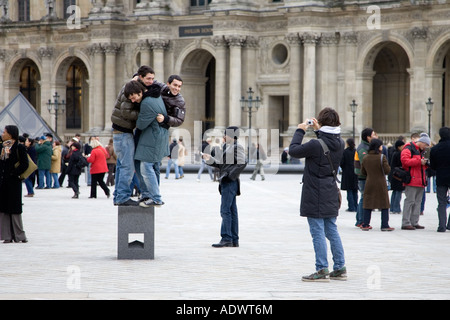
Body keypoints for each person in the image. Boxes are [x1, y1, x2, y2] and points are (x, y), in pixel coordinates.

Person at [288, 107, 346, 282]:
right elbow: (326, 143)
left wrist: (300, 130)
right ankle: (340, 267)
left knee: (317, 232)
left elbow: (293, 150)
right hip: (330, 189)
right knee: (332, 230)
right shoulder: (341, 142)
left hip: (314, 191)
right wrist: (318, 131)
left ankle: (321, 269)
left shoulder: (315, 144)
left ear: (321, 122)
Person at [124, 80, 169, 208]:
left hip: (152, 138)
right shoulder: (154, 97)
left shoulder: (147, 103)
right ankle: (147, 194)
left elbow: (141, 124)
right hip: (154, 137)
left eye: (133, 97)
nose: (133, 101)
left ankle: (156, 198)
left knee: (146, 167)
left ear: (140, 92)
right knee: (148, 166)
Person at [203, 126, 247, 248]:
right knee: (231, 211)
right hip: (227, 181)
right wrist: (209, 159)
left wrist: (229, 176)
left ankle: (226, 238)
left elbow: (242, 163)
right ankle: (233, 239)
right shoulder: (227, 147)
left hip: (229, 182)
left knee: (225, 210)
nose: (223, 137)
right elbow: (221, 165)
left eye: (225, 135)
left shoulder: (237, 147)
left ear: (232, 136)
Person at [0, 125, 28, 243]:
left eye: (5, 132)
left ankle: (19, 235)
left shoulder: (19, 147)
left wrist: (14, 173)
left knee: (15, 208)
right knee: (4, 208)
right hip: (3, 181)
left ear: (11, 134)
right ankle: (6, 236)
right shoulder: (2, 147)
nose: (2, 134)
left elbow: (24, 164)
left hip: (14, 182)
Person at [360, 139, 394, 231]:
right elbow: (387, 170)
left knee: (368, 203)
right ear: (378, 147)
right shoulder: (382, 157)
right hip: (380, 183)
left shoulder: (366, 157)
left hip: (369, 182)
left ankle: (365, 224)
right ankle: (384, 225)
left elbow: (363, 172)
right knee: (384, 204)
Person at [401, 132, 430, 230]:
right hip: (411, 179)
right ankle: (406, 222)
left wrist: (425, 163)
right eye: (425, 145)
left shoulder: (422, 151)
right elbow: (405, 161)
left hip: (421, 180)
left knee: (418, 202)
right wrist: (419, 161)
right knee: (410, 201)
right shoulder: (408, 148)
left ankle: (414, 222)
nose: (426, 147)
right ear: (421, 142)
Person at [354, 128, 376, 227]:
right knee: (364, 198)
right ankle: (360, 221)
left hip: (364, 176)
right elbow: (366, 163)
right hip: (364, 177)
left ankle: (360, 220)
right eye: (374, 135)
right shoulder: (363, 148)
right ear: (368, 137)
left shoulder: (366, 146)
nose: (375, 136)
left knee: (363, 198)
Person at [429, 127, 450, 232]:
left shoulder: (435, 149)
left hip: (441, 177)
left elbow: (432, 166)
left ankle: (441, 226)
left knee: (441, 202)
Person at [340, 138, 358, 212]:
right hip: (355, 172)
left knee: (349, 190)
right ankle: (356, 206)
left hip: (347, 172)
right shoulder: (356, 151)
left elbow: (341, 163)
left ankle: (351, 207)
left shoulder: (344, 152)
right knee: (355, 190)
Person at [388, 139, 405, 214]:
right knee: (398, 192)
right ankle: (396, 208)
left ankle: (392, 207)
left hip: (393, 174)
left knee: (395, 192)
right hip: (398, 175)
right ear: (399, 147)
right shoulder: (399, 154)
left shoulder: (394, 153)